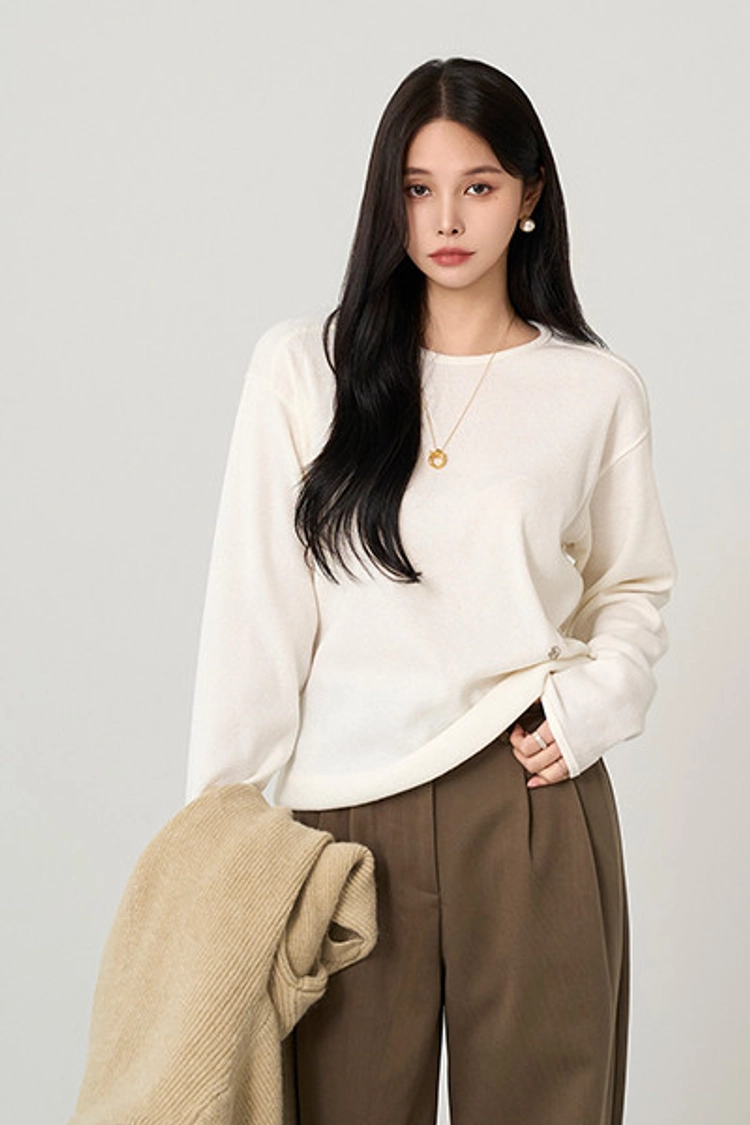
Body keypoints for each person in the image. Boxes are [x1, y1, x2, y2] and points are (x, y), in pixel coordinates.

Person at [185, 57, 676, 1125]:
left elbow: (633, 586)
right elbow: (253, 616)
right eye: (418, 188)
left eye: (479, 186)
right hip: (342, 823)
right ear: (387, 198)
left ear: (530, 195)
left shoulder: (595, 390)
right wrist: (220, 828)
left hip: (529, 799)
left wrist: (595, 704)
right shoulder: (303, 369)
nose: (446, 218)